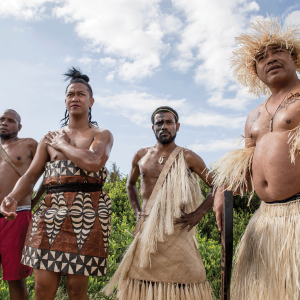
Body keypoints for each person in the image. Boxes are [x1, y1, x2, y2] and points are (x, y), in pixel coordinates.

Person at [1, 67, 114, 300]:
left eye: (81, 94)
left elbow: (93, 162)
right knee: (42, 289)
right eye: (71, 94)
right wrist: (12, 197)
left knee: (76, 289)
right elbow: (31, 176)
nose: (75, 98)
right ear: (65, 100)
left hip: (87, 213)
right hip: (50, 214)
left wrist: (63, 145)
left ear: (91, 101)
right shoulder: (49, 138)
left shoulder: (101, 134)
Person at [212, 17, 300, 300]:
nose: (270, 59)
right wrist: (223, 189)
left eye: (278, 52)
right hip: (265, 222)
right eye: (261, 58)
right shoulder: (254, 116)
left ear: (294, 57)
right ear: (256, 72)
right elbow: (245, 176)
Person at [104, 106, 215, 300]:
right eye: (159, 123)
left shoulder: (188, 157)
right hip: (146, 232)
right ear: (152, 128)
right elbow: (130, 185)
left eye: (169, 122)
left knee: (188, 278)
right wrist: (137, 210)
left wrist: (199, 213)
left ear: (177, 126)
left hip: (176, 229)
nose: (164, 126)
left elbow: (217, 185)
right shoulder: (141, 155)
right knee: (140, 281)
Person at [0, 109, 43, 300]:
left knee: (15, 278)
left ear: (19, 126)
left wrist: (34, 200)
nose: (4, 123)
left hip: (17, 216)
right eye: (1, 119)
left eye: (10, 120)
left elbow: (49, 173)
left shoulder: (29, 144)